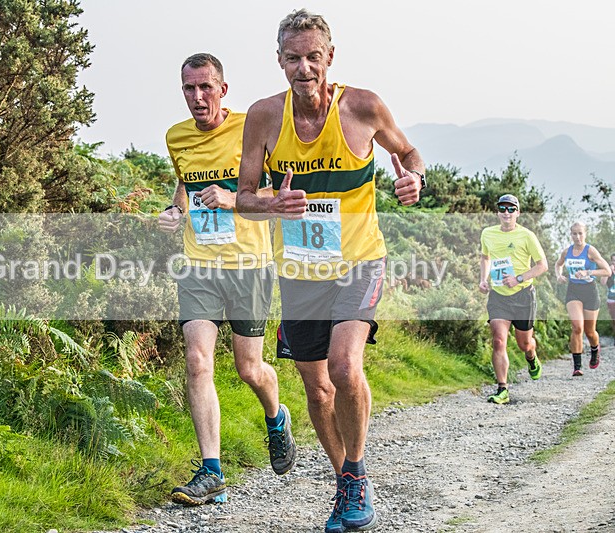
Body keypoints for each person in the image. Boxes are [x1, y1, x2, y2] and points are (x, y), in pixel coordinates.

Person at [236, 9, 425, 532]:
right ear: (279, 61)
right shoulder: (263, 117)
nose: (304, 68)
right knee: (317, 389)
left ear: (330, 57)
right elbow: (244, 198)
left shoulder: (363, 107)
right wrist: (272, 204)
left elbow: (409, 152)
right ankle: (345, 480)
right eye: (292, 58)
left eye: (313, 57)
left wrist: (415, 179)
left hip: (360, 260)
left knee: (343, 368)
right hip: (300, 272)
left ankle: (357, 475)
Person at [157, 53, 296, 507]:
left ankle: (276, 417)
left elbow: (280, 192)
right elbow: (185, 184)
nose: (197, 97)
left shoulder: (250, 129)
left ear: (223, 89)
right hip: (198, 264)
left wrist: (233, 198)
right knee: (197, 360)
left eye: (205, 87)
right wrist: (175, 210)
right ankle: (211, 471)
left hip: (248, 264)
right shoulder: (176, 136)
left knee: (248, 368)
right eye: (189, 88)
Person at [479, 194, 548, 404]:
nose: (506, 213)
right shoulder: (488, 233)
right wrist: (483, 279)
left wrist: (518, 278)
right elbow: (485, 257)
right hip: (498, 296)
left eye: (511, 209)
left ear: (518, 212)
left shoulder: (527, 235)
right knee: (498, 340)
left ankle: (531, 357)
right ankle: (502, 389)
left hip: (523, 295)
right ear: (498, 212)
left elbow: (542, 265)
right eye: (503, 208)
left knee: (524, 343)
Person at [555, 223, 612, 375]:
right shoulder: (567, 251)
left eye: (580, 233)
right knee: (577, 327)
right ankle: (577, 366)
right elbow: (558, 264)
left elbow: (607, 271)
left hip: (590, 291)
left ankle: (595, 349)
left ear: (585, 234)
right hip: (573, 290)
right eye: (574, 234)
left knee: (590, 331)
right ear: (571, 234)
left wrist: (588, 272)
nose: (577, 237)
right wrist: (559, 275)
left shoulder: (590, 250)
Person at [603, 253, 615, 332]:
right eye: (613, 260)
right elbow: (603, 282)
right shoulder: (608, 271)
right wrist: (607, 272)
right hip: (611, 299)